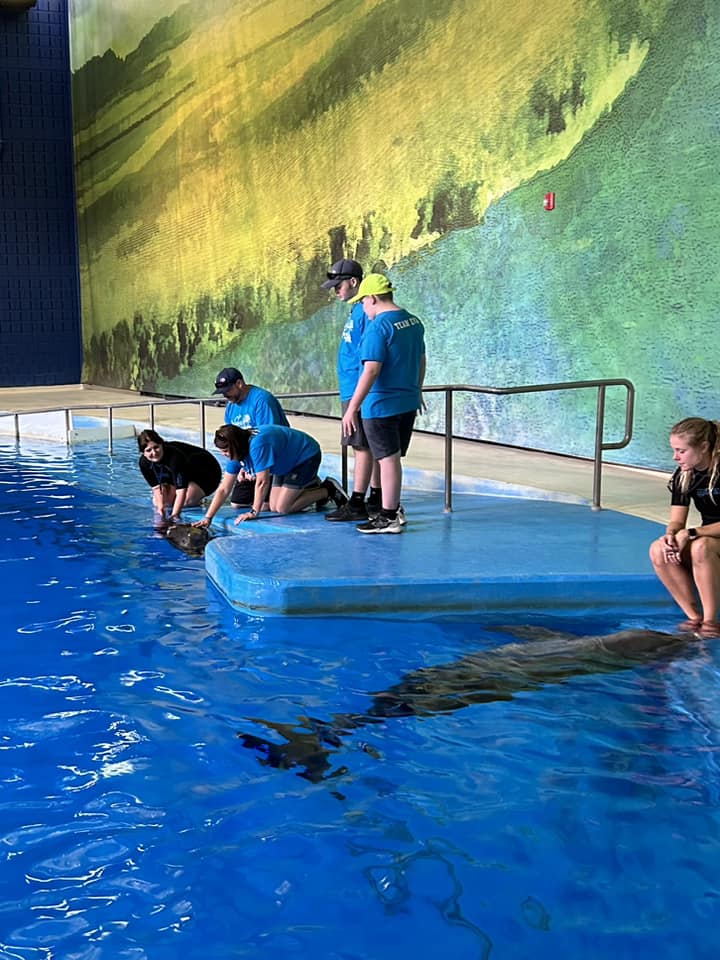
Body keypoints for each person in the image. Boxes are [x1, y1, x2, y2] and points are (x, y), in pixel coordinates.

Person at [342, 274, 425, 534]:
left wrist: (353, 407)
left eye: (363, 303)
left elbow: (371, 370)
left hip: (381, 405)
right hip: (407, 400)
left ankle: (388, 515)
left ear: (372, 298)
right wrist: (418, 389)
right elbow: (421, 359)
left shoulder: (379, 327)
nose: (363, 310)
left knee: (387, 460)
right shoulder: (412, 321)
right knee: (393, 458)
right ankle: (393, 508)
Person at [321, 259, 382, 522]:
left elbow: (371, 358)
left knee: (361, 448)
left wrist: (356, 399)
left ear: (354, 282)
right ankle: (375, 498)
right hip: (352, 388)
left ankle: (358, 502)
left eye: (339, 284)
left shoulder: (367, 312)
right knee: (368, 446)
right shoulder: (358, 310)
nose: (335, 290)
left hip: (358, 390)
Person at [194, 424, 347, 527]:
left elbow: (262, 481)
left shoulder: (258, 445)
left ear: (234, 446)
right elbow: (224, 489)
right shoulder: (237, 450)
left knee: (282, 507)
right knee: (273, 506)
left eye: (225, 451)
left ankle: (328, 489)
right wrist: (208, 518)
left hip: (304, 456)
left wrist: (254, 512)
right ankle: (309, 486)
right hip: (283, 462)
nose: (224, 455)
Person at [649, 417, 720, 638]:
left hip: (709, 540)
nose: (675, 457)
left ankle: (710, 621)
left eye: (681, 451)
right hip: (711, 537)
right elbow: (677, 521)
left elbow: (690, 531)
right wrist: (671, 536)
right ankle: (693, 617)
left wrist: (690, 533)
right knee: (658, 550)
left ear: (704, 447)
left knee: (701, 547)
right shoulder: (685, 474)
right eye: (674, 450)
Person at [212, 367, 289, 508]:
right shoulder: (231, 406)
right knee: (237, 504)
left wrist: (252, 467)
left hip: (271, 459)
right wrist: (243, 466)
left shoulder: (262, 400)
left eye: (227, 391)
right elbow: (231, 441)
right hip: (249, 461)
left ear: (239, 384)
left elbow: (268, 439)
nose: (225, 396)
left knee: (269, 506)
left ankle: (314, 485)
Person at [137, 429, 221, 524]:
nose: (154, 453)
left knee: (186, 502)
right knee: (160, 502)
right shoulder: (144, 463)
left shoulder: (175, 457)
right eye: (148, 450)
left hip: (207, 473)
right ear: (143, 452)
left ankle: (198, 500)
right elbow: (156, 489)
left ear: (162, 444)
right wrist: (161, 509)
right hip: (186, 471)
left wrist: (174, 516)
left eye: (156, 447)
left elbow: (181, 491)